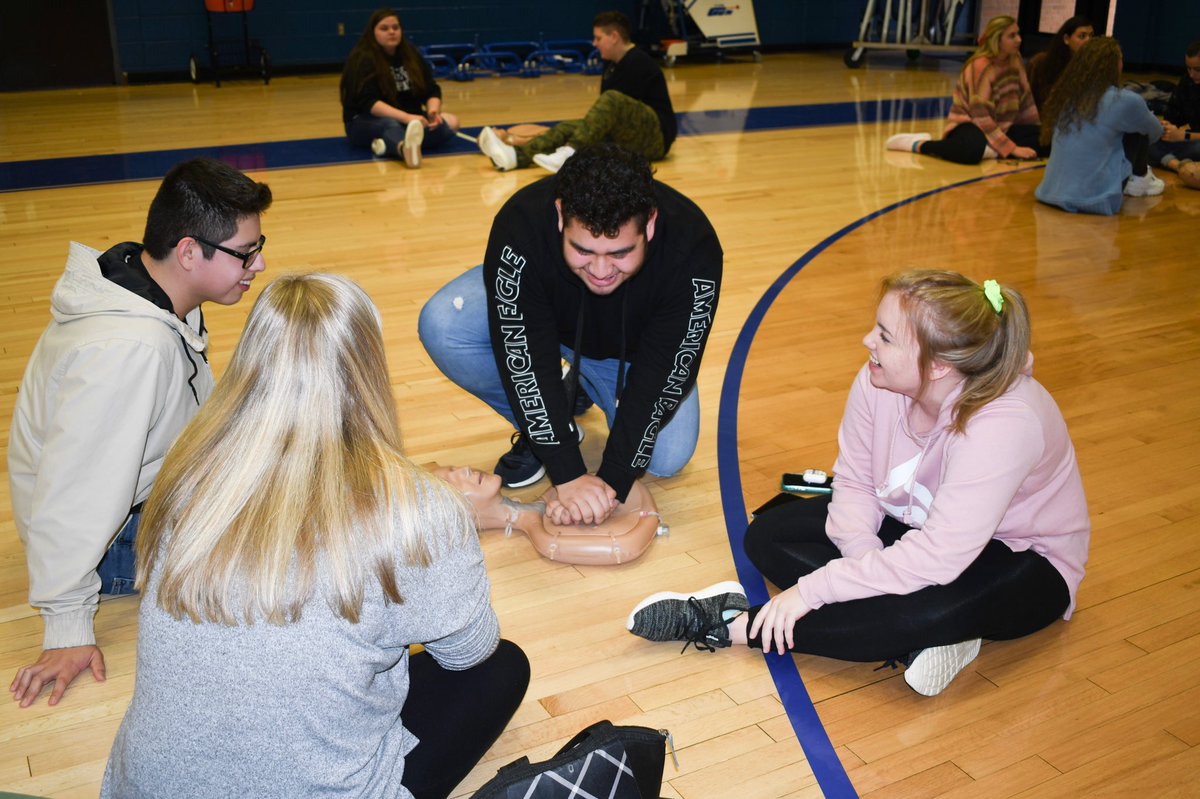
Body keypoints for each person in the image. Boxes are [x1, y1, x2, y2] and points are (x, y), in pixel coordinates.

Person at [101, 274, 529, 799]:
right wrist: (451, 540)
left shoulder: (189, 471)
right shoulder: (420, 511)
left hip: (144, 787)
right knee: (503, 668)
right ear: (369, 367)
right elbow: (468, 654)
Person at [627, 271, 1091, 697]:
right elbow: (853, 479)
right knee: (768, 535)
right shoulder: (878, 379)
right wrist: (864, 563)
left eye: (885, 337)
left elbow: (937, 558)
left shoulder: (1004, 425)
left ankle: (733, 625)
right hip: (915, 529)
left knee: (912, 612)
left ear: (938, 367)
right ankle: (931, 636)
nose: (868, 340)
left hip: (1021, 558)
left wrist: (814, 590)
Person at [8, 158, 272, 709]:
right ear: (188, 252)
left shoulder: (149, 292)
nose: (259, 264)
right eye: (246, 253)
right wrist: (68, 629)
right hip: (117, 546)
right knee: (293, 520)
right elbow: (72, 494)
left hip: (143, 502)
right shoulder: (128, 351)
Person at [418, 143, 722, 526]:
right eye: (583, 250)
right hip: (548, 325)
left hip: (634, 354)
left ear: (650, 223)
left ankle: (577, 388)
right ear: (561, 216)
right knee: (444, 324)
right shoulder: (521, 222)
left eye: (619, 253)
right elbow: (522, 353)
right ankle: (555, 412)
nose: (600, 270)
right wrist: (566, 470)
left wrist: (611, 479)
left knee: (665, 459)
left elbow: (665, 370)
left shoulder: (693, 248)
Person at [476, 11, 677, 173]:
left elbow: (618, 111)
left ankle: (569, 153)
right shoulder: (611, 65)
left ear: (614, 37)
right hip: (629, 135)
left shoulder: (639, 62)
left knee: (609, 101)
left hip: (656, 138)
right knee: (568, 128)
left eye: (598, 38)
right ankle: (516, 157)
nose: (594, 43)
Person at [887, 16, 1046, 164]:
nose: (1019, 39)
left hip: (1003, 126)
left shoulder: (1015, 60)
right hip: (972, 124)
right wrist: (1012, 148)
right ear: (997, 40)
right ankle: (919, 144)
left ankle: (992, 150)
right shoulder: (981, 66)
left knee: (1047, 142)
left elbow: (1026, 99)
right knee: (971, 151)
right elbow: (980, 115)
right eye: (1012, 36)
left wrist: (1035, 130)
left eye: (1018, 34)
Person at [1036, 37, 1166, 214]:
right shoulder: (1125, 100)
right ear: (1114, 65)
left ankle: (1138, 179)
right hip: (1095, 199)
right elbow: (1155, 132)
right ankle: (1140, 179)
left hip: (1048, 193)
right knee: (1139, 127)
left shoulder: (1065, 94)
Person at [437, 466, 664, 564]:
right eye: (451, 480)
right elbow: (626, 545)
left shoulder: (547, 511)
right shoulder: (543, 534)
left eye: (453, 467)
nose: (464, 469)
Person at [340, 8, 460, 168]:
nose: (391, 32)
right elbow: (368, 103)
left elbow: (431, 89)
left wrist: (433, 112)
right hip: (365, 121)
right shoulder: (362, 58)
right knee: (389, 125)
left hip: (406, 119)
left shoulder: (410, 55)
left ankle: (387, 145)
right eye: (384, 28)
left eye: (395, 28)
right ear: (372, 32)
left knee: (451, 123)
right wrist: (406, 118)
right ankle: (404, 149)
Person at [1150, 40, 1200, 175]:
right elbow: (1173, 115)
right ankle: (1178, 166)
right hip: (1190, 141)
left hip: (1194, 142)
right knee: (1144, 140)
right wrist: (1165, 127)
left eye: (1197, 69)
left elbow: (1184, 136)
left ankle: (1166, 159)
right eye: (1189, 68)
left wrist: (1185, 136)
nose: (1192, 74)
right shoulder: (1187, 82)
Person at [1027, 15, 1094, 110]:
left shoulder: (1090, 68)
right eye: (1082, 36)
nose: (1088, 41)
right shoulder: (1040, 63)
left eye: (1091, 35)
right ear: (1066, 39)